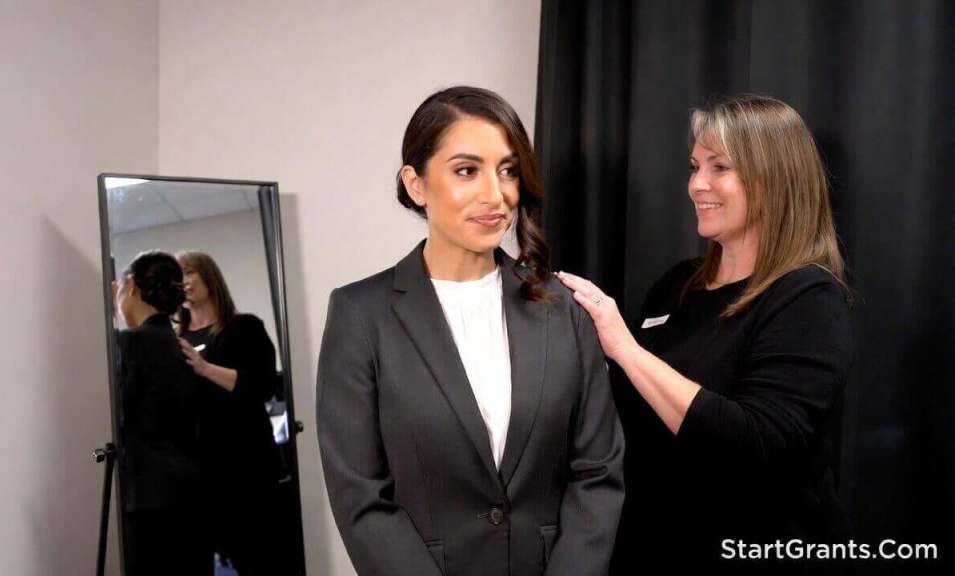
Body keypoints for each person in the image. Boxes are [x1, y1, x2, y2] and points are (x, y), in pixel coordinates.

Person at [317, 86, 625, 576]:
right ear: (416, 184)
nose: (495, 195)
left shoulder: (564, 307)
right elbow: (361, 497)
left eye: (507, 170)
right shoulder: (359, 314)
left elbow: (598, 472)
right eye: (466, 170)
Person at [558, 94, 853, 571]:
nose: (697, 184)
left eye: (720, 167)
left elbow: (755, 445)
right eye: (695, 167)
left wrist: (626, 350)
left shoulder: (806, 298)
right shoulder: (677, 286)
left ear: (774, 179)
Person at [175, 250, 296, 575]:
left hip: (247, 467)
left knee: (261, 559)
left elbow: (262, 385)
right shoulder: (177, 340)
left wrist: (204, 368)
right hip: (203, 472)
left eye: (188, 272)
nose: (182, 282)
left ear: (208, 276)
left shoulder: (245, 328)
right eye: (177, 277)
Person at [113, 250, 207, 576]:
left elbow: (118, 415)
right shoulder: (183, 347)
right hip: (190, 492)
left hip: (146, 497)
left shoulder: (128, 344)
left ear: (131, 286)